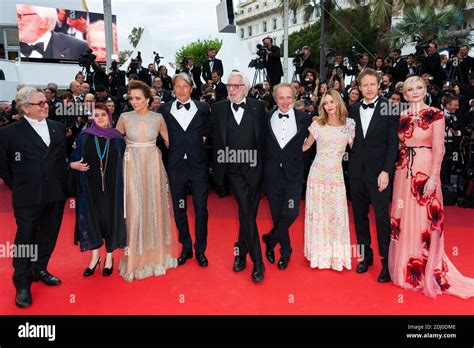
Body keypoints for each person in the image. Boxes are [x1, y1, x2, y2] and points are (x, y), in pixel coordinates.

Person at [389, 76, 474, 299]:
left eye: (419, 87)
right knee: (404, 217)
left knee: (425, 218)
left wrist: (434, 177)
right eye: (410, 89)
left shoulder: (436, 114)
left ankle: (426, 267)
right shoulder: (401, 115)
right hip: (404, 169)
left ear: (425, 89)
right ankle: (405, 270)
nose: (415, 92)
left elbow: (439, 149)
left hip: (425, 168)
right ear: (405, 94)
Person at [0, 87, 68, 308]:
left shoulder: (58, 128)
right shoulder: (9, 132)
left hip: (54, 194)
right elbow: (4, 167)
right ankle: (22, 284)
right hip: (27, 196)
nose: (45, 105)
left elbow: (60, 162)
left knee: (48, 234)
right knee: (25, 239)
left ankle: (40, 268)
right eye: (40, 103)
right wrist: (20, 185)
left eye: (45, 102)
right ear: (25, 108)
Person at [115, 80, 177, 281]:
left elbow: (171, 142)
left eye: (138, 98)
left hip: (152, 166)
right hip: (131, 165)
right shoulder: (124, 117)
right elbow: (113, 143)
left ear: (148, 100)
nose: (134, 101)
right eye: (131, 98)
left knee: (153, 207)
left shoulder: (158, 118)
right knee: (135, 208)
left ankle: (154, 256)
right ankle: (134, 259)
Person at [212, 71, 266, 282]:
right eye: (229, 85)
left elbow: (265, 138)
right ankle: (258, 263)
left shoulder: (258, 107)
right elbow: (212, 138)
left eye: (236, 85)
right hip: (233, 170)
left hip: (255, 168)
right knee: (245, 211)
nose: (231, 89)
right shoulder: (218, 109)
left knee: (247, 214)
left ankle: (240, 251)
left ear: (245, 88)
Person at [348, 68, 399, 282]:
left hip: (380, 173)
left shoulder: (390, 108)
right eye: (364, 85)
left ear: (379, 85)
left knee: (381, 218)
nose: (368, 88)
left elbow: (393, 143)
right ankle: (365, 257)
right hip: (356, 172)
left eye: (372, 84)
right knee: (359, 217)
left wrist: (387, 171)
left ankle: (386, 263)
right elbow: (349, 140)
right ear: (359, 87)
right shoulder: (352, 110)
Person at [160, 73, 211, 267]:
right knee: (179, 208)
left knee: (201, 209)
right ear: (173, 88)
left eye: (185, 86)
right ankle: (186, 246)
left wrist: (204, 137)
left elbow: (210, 127)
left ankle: (200, 249)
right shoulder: (164, 110)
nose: (181, 90)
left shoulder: (204, 108)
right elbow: (159, 133)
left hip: (198, 166)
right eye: (177, 86)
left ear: (191, 88)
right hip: (176, 167)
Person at [70, 103, 126, 277]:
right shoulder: (84, 137)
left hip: (113, 188)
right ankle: (94, 257)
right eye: (96, 115)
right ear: (91, 118)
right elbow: (73, 158)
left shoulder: (117, 138)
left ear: (109, 117)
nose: (100, 118)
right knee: (91, 219)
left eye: (103, 114)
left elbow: (126, 161)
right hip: (89, 187)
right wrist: (74, 165)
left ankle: (109, 257)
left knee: (110, 219)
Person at [303, 90, 355, 270]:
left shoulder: (349, 124)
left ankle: (336, 256)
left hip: (336, 176)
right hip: (317, 175)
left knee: (336, 215)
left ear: (339, 102)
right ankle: (319, 255)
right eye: (325, 103)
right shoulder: (318, 123)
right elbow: (306, 146)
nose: (329, 105)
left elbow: (357, 149)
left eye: (332, 101)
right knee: (318, 215)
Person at [262, 83, 311, 270]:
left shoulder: (305, 118)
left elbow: (319, 133)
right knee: (276, 214)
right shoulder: (266, 119)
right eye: (281, 97)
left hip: (293, 175)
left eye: (288, 97)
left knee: (291, 212)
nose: (284, 101)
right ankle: (286, 251)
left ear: (294, 98)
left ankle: (271, 239)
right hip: (272, 174)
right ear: (275, 98)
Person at [17, 4, 89, 60]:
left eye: (19, 15)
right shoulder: (7, 44)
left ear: (43, 22)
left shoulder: (78, 47)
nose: (15, 20)